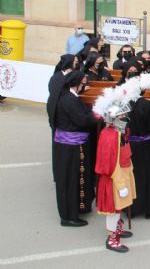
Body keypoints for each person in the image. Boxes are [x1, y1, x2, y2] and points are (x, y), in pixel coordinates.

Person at [53, 71, 96, 227]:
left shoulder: (68, 97)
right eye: (83, 83)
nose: (84, 86)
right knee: (70, 179)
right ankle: (68, 216)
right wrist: (95, 115)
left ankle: (76, 209)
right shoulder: (69, 100)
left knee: (74, 178)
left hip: (70, 146)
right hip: (70, 147)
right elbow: (82, 120)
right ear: (76, 83)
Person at [95, 112, 135, 253]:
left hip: (122, 174)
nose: (126, 117)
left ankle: (117, 229)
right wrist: (120, 184)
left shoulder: (120, 133)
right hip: (114, 178)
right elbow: (110, 164)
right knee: (114, 209)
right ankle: (112, 240)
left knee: (119, 208)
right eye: (122, 115)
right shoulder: (110, 136)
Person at [126, 67, 150, 218]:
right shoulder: (146, 105)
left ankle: (131, 209)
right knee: (146, 176)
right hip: (145, 146)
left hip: (130, 146)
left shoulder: (125, 104)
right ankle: (148, 209)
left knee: (132, 176)